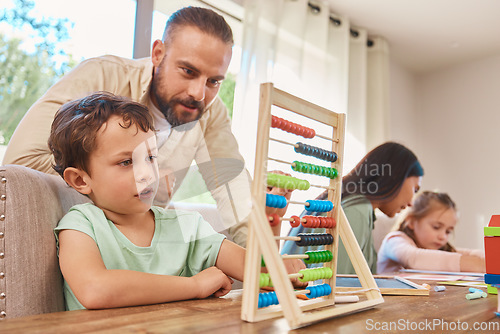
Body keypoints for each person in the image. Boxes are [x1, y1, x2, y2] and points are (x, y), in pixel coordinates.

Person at [2, 6, 250, 247]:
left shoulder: (211, 112)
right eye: (188, 71)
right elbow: (20, 164)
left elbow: (236, 194)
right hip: (80, 244)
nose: (198, 94)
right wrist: (132, 179)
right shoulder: (101, 75)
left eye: (214, 81)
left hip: (145, 248)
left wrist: (263, 262)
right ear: (158, 54)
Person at [48, 92, 306, 311]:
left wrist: (282, 268)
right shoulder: (81, 226)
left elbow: (249, 266)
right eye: (126, 162)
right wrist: (193, 286)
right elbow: (95, 290)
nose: (146, 173)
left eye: (150, 157)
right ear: (81, 181)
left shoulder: (187, 226)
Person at [281, 142, 424, 274]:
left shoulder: (352, 203)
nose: (411, 202)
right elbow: (338, 284)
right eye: (415, 189)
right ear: (397, 176)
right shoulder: (356, 210)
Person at [377, 191, 485, 273]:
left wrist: (487, 258)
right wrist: (474, 264)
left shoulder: (429, 246)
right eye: (436, 227)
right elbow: (414, 258)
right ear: (411, 221)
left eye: (448, 231)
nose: (443, 237)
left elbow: (462, 253)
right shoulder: (394, 240)